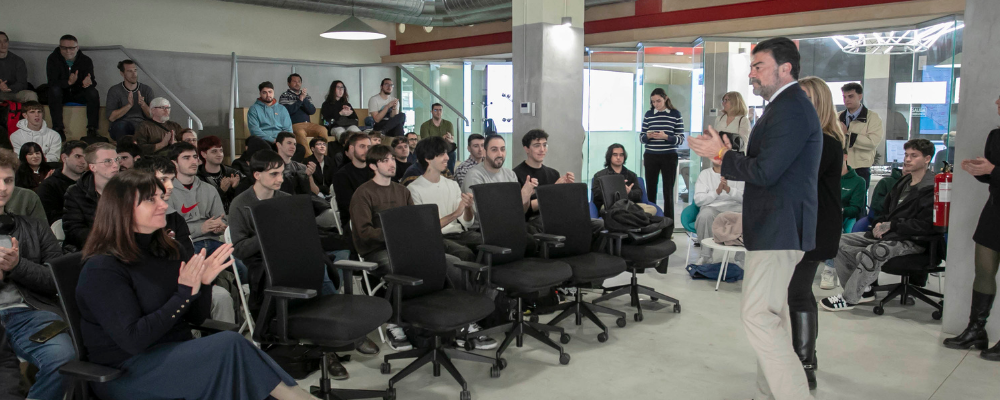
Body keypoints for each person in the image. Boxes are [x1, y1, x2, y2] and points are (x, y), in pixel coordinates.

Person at [75, 170, 318, 400]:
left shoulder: (170, 250)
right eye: (151, 200)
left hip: (177, 355)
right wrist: (184, 293)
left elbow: (197, 318)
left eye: (161, 197)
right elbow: (133, 340)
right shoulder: (102, 268)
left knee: (235, 366)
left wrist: (203, 284)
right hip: (127, 371)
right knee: (230, 346)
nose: (163, 205)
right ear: (122, 209)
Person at [688, 36, 820, 399]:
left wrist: (723, 155)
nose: (751, 75)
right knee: (771, 316)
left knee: (757, 316)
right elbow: (766, 165)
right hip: (776, 226)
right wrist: (724, 158)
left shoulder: (792, 108)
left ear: (785, 68)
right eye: (751, 67)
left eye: (759, 66)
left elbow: (766, 171)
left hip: (780, 227)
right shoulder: (783, 107)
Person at [821, 139, 936, 312]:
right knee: (838, 242)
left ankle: (849, 298)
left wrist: (892, 225)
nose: (907, 159)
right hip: (892, 234)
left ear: (927, 159)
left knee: (875, 251)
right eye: (906, 155)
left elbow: (926, 225)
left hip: (914, 240)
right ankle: (863, 291)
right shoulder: (902, 183)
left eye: (914, 156)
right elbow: (884, 211)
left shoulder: (931, 188)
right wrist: (879, 223)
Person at [785, 76, 846, 390]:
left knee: (797, 293)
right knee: (798, 292)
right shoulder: (811, 138)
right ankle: (806, 356)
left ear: (819, 102)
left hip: (816, 227)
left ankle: (805, 362)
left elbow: (795, 180)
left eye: (805, 97)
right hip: (803, 225)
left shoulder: (825, 142)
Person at [0, 148, 74, 400]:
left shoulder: (34, 227)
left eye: (8, 180)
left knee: (64, 359)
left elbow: (56, 280)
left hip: (29, 314)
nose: (2, 188)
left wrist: (17, 266)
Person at [946, 99, 1000, 360]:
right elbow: (993, 175)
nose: (997, 102)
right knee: (984, 272)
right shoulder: (996, 136)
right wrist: (980, 171)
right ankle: (976, 330)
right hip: (994, 212)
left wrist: (993, 170)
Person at [349, 144, 413, 351]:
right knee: (400, 268)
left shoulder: (402, 191)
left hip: (403, 247)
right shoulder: (363, 193)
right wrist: (394, 235)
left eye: (392, 159)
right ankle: (395, 323)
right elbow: (364, 232)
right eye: (385, 160)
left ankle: (428, 317)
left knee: (442, 262)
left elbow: (413, 221)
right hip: (375, 250)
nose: (392, 163)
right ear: (373, 166)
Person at [641, 87, 684, 234]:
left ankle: (668, 230)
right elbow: (641, 137)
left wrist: (666, 137)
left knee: (668, 193)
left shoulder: (675, 114)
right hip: (651, 156)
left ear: (665, 99)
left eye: (658, 101)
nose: (656, 104)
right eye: (653, 102)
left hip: (669, 156)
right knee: (650, 191)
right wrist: (648, 136)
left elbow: (680, 139)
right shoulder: (648, 115)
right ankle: (651, 228)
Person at [62, 143, 120, 250]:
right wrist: (106, 244)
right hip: (93, 249)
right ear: (93, 167)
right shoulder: (75, 192)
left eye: (117, 159)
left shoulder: (128, 189)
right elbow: (74, 230)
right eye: (108, 161)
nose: (116, 165)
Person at [462, 135, 535, 214]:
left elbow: (521, 212)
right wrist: (520, 199)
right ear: (484, 153)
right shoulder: (474, 175)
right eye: (494, 150)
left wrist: (526, 197)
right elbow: (484, 214)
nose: (500, 154)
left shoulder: (510, 174)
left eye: (502, 149)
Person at [513, 129, 574, 221]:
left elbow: (560, 203)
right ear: (527, 149)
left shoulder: (553, 173)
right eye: (537, 145)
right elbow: (523, 210)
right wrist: (553, 191)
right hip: (532, 221)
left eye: (544, 145)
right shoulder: (516, 174)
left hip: (555, 217)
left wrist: (566, 189)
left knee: (593, 223)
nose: (542, 149)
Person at [45, 34, 99, 138]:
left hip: (78, 93)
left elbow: (92, 80)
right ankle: (58, 128)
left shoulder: (85, 60)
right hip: (62, 94)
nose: (68, 51)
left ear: (77, 47)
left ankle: (92, 129)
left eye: (71, 48)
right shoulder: (53, 59)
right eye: (64, 48)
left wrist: (88, 82)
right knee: (54, 90)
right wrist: (68, 83)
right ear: (59, 47)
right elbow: (52, 82)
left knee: (93, 92)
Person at [692, 161, 744, 264]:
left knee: (748, 216)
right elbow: (698, 200)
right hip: (713, 207)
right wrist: (717, 192)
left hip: (736, 208)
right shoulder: (705, 174)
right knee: (704, 216)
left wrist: (729, 190)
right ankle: (706, 257)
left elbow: (746, 198)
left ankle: (741, 258)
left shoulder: (739, 173)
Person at [839, 82, 884, 187]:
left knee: (859, 196)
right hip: (839, 167)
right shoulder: (837, 117)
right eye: (844, 97)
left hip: (860, 168)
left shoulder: (873, 118)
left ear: (860, 96)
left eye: (850, 96)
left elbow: (873, 142)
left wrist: (848, 134)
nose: (846, 100)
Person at [592, 143, 653, 214]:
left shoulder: (631, 175)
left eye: (621, 155)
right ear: (609, 156)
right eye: (615, 155)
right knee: (609, 211)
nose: (618, 157)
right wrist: (616, 190)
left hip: (628, 205)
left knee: (652, 209)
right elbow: (596, 195)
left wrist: (629, 193)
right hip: (609, 206)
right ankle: (631, 216)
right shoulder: (600, 175)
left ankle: (627, 215)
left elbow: (639, 194)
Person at [36, 140, 87, 224]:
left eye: (86, 157)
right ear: (64, 158)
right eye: (78, 156)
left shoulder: (92, 182)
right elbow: (49, 217)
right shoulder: (49, 186)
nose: (83, 161)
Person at [279, 74, 327, 155]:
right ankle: (308, 158)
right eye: (294, 81)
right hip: (294, 125)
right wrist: (300, 100)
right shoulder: (285, 95)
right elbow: (286, 111)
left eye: (299, 81)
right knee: (300, 132)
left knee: (323, 130)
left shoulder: (306, 96)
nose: (297, 83)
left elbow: (312, 111)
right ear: (288, 83)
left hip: (308, 124)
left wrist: (303, 98)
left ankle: (323, 156)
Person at [106, 59, 153, 141]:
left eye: (135, 70)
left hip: (141, 124)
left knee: (148, 128)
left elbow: (152, 116)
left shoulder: (146, 89)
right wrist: (129, 105)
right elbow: (111, 117)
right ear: (122, 73)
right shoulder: (115, 90)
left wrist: (143, 104)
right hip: (121, 125)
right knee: (121, 126)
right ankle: (124, 148)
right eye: (129, 71)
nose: (134, 74)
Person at [332, 133, 374, 225]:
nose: (366, 150)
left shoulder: (375, 170)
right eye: (362, 146)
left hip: (376, 216)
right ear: (351, 148)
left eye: (369, 147)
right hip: (355, 222)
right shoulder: (341, 176)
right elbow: (349, 207)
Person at [197, 135, 244, 212]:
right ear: (203, 154)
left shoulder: (234, 173)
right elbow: (203, 205)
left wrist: (235, 188)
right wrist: (221, 191)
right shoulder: (197, 178)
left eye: (221, 151)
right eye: (214, 151)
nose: (219, 154)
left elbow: (244, 201)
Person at [275, 132, 320, 196]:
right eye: (289, 143)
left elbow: (316, 192)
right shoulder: (271, 167)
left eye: (294, 144)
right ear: (278, 145)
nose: (293, 147)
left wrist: (309, 176)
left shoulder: (302, 167)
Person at [0, 31, 37, 103]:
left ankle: (34, 110)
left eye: (5, 41)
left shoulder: (18, 61)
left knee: (31, 95)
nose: (3, 44)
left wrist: (8, 88)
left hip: (14, 92)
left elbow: (22, 83)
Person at [419, 103, 457, 173]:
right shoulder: (425, 125)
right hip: (431, 149)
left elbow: (452, 140)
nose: (438, 112)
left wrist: (449, 139)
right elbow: (426, 143)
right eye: (436, 110)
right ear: (431, 111)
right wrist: (442, 138)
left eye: (440, 110)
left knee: (452, 154)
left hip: (445, 149)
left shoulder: (448, 124)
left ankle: (450, 174)